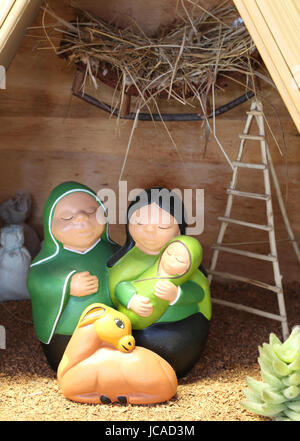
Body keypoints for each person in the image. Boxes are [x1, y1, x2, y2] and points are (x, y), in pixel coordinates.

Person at [107, 188, 211, 378]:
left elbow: (200, 295)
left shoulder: (187, 261)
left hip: (180, 330)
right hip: (133, 332)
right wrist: (131, 300)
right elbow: (116, 288)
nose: (149, 231)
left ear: (179, 229)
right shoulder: (124, 263)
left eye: (162, 227)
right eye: (139, 222)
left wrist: (177, 295)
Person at [27, 181, 119, 371]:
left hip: (114, 330)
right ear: (49, 225)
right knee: (71, 365)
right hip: (66, 333)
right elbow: (37, 282)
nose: (81, 218)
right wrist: (67, 286)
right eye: (67, 217)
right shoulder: (47, 262)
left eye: (92, 212)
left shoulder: (114, 252)